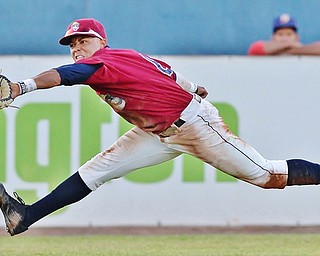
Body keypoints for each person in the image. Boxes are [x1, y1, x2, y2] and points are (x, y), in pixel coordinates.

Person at [1, 18, 320, 237]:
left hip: (194, 126)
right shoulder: (128, 56)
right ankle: (25, 217)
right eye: (72, 43)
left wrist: (21, 86)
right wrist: (194, 86)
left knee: (267, 175)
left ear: (102, 41)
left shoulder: (102, 63)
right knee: (95, 172)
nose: (77, 46)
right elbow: (168, 73)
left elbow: (64, 75)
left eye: (84, 39)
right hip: (156, 132)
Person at [248, 13, 320, 55]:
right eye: (280, 34)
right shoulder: (266, 51)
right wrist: (289, 44)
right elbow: (254, 49)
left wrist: (293, 50)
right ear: (273, 37)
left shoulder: (305, 50)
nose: (284, 38)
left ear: (297, 37)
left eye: (289, 34)